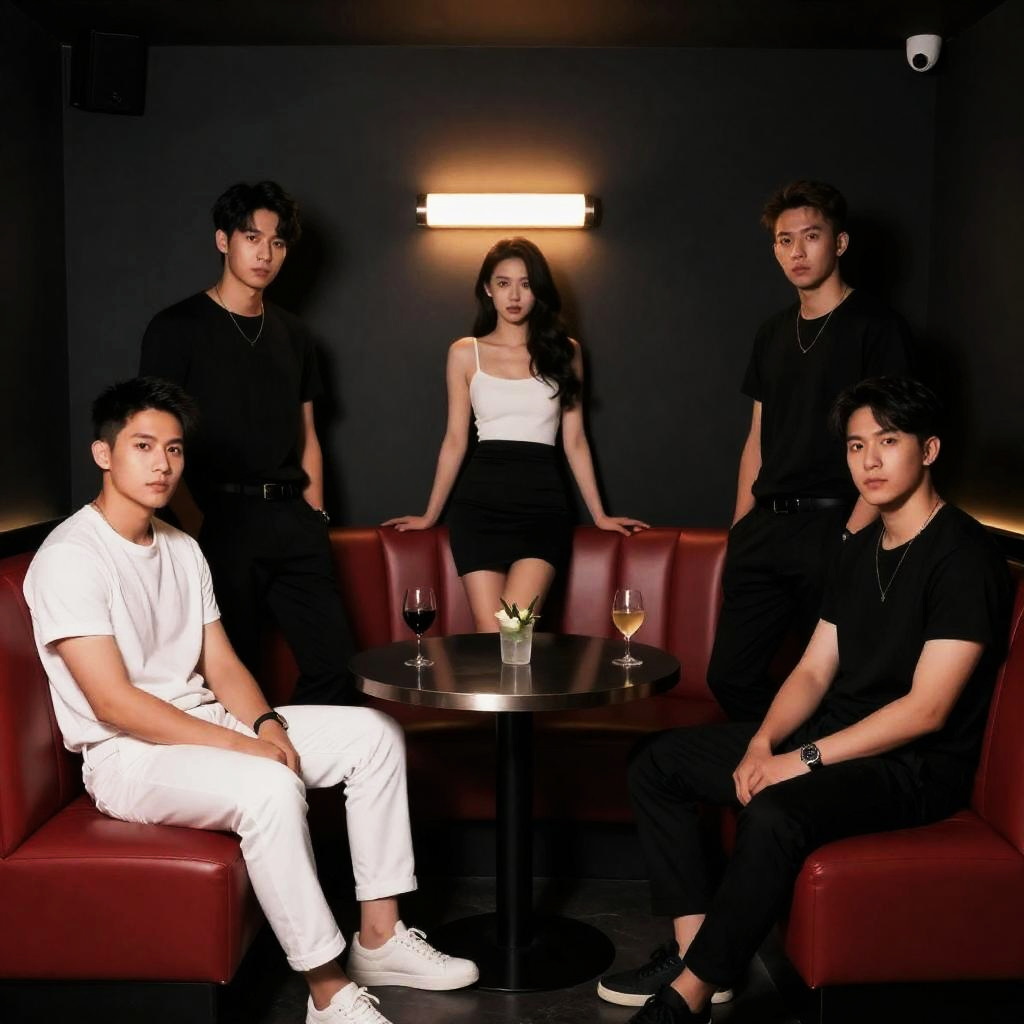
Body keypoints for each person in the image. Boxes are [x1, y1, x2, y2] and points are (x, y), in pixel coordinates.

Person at [23, 378, 479, 1024]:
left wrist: (266, 723)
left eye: (174, 449)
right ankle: (329, 993)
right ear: (104, 454)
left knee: (374, 735)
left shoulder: (182, 547)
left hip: (202, 723)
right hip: (127, 756)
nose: (162, 464)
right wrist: (247, 747)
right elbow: (114, 704)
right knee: (270, 786)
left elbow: (222, 664)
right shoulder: (72, 556)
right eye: (143, 446)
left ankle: (379, 938)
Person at [596, 376, 1012, 1023]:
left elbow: (926, 710)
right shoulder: (860, 548)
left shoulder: (964, 554)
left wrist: (801, 760)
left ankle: (686, 1001)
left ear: (929, 449)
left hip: (914, 768)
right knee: (657, 763)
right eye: (856, 446)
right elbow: (815, 669)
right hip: (839, 735)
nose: (869, 461)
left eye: (888, 441)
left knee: (772, 813)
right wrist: (762, 743)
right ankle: (695, 954)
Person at [140, 180, 354, 705]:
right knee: (236, 680)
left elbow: (308, 435)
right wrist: (196, 523)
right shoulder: (176, 328)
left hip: (293, 520)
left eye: (277, 243)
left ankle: (295, 757)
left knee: (336, 669)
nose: (265, 254)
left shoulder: (295, 335)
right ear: (223, 240)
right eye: (252, 238)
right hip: (219, 520)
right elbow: (154, 437)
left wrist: (316, 516)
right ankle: (259, 761)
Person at [708, 180, 913, 721]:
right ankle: (779, 764)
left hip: (836, 525)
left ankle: (807, 770)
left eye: (811, 236)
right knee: (729, 676)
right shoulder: (772, 333)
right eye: (785, 240)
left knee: (833, 687)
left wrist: (853, 535)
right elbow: (757, 437)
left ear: (839, 243)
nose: (797, 251)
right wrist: (740, 528)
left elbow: (892, 442)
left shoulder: (877, 327)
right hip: (766, 528)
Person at [384, 237, 648, 631]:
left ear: (538, 290)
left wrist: (599, 514)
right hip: (479, 508)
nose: (514, 295)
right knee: (491, 638)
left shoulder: (566, 351)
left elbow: (575, 440)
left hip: (542, 507)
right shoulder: (464, 352)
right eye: (503, 283)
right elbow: (455, 440)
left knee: (515, 630)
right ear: (487, 289)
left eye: (526, 284)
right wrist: (430, 515)